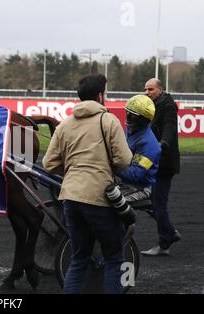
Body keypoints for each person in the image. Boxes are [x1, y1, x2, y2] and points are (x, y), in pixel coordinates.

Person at [43, 75, 132, 294]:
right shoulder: (108, 120)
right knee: (114, 257)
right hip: (99, 198)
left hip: (71, 199)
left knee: (79, 259)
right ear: (100, 95)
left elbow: (48, 163)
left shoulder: (65, 125)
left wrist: (73, 171)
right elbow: (123, 160)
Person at [141, 78, 181, 256]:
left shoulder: (167, 105)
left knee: (157, 203)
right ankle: (169, 232)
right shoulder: (156, 103)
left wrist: (163, 142)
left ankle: (165, 241)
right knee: (154, 202)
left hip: (163, 163)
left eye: (150, 89)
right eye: (145, 89)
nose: (146, 92)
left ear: (160, 90)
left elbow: (169, 127)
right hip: (156, 160)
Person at [116, 95, 161, 203]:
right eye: (127, 111)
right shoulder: (131, 130)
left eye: (133, 114)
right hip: (124, 181)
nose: (128, 115)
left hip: (141, 187)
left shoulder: (148, 144)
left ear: (144, 119)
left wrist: (111, 165)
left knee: (110, 203)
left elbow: (135, 174)